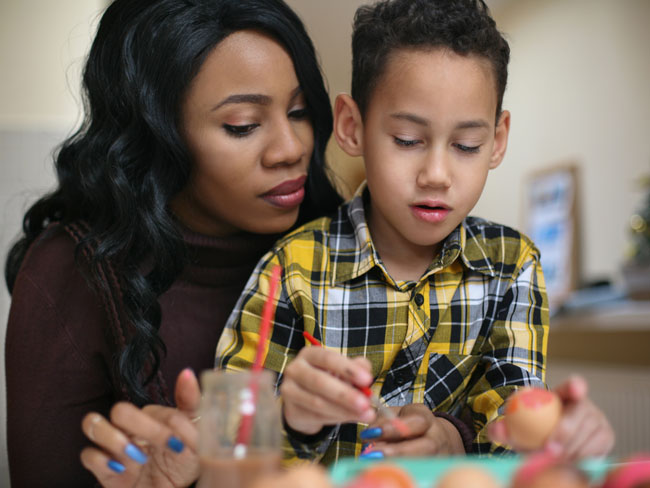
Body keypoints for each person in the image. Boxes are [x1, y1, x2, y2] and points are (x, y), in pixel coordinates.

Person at [216, 0, 614, 464]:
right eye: (407, 140)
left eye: (467, 145)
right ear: (352, 126)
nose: (437, 174)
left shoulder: (512, 265)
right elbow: (226, 445)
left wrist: (464, 438)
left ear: (497, 141)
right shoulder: (292, 268)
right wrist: (291, 419)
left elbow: (514, 423)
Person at [3, 0, 344, 485]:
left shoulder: (339, 245)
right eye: (243, 125)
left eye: (300, 110)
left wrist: (446, 433)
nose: (291, 149)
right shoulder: (73, 273)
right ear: (157, 136)